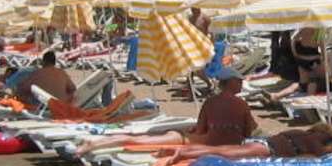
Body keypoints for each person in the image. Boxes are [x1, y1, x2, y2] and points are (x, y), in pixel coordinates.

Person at [73, 69, 257, 157]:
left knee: (140, 139)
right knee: (139, 141)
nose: (241, 85)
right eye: (239, 81)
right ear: (231, 82)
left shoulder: (211, 102)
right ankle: (95, 143)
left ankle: (97, 142)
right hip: (192, 142)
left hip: (193, 139)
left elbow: (201, 128)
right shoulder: (242, 105)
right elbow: (249, 133)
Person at [291, 28, 324, 94]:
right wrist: (323, 57)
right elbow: (322, 45)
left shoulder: (302, 30)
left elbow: (293, 40)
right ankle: (308, 90)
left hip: (302, 58)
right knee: (314, 77)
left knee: (303, 80)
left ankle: (303, 88)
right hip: (313, 58)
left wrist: (295, 54)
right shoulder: (317, 31)